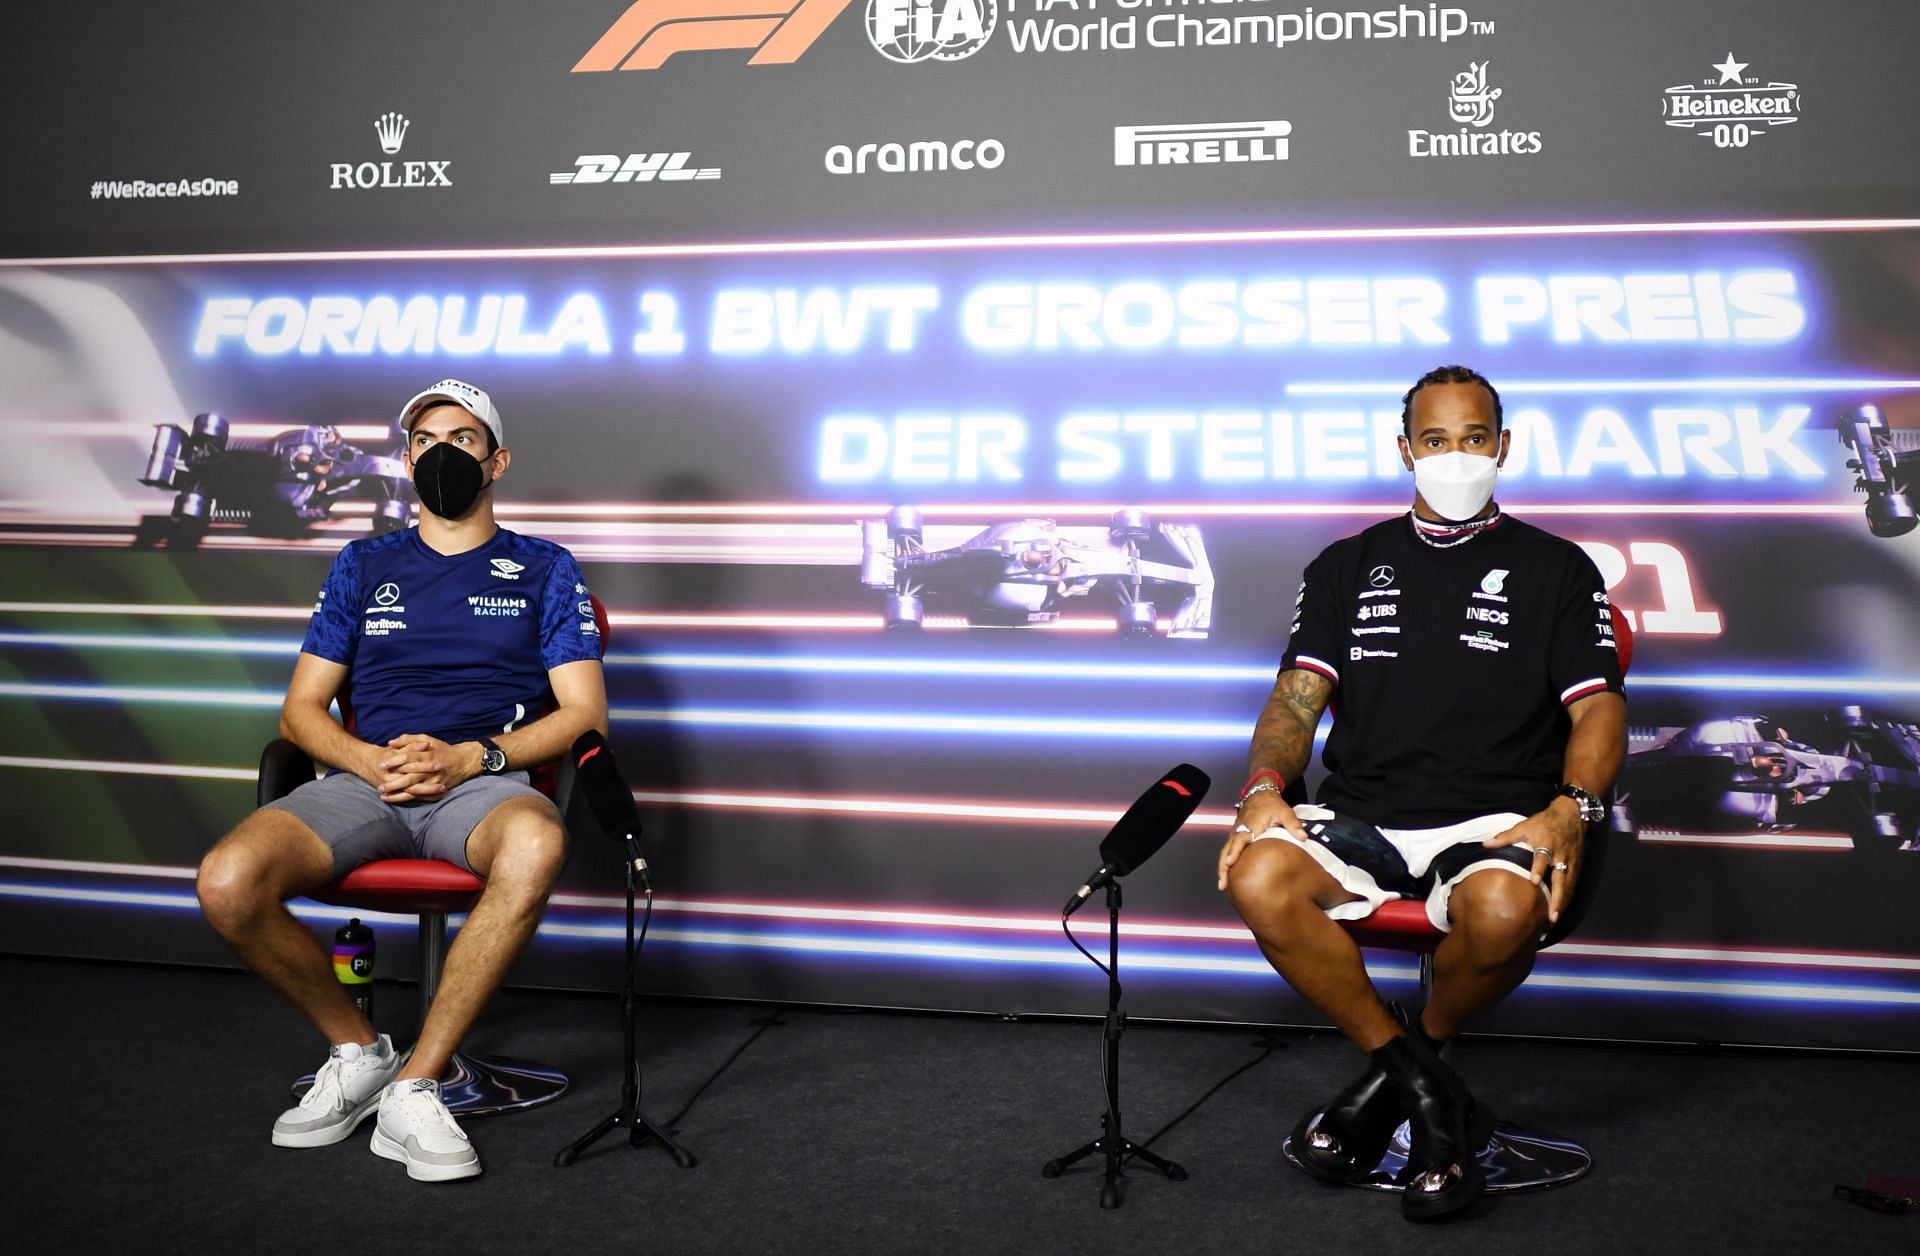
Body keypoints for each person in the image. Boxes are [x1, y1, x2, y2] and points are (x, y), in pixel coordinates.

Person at [1216, 365, 1626, 1221]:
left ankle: (1391, 1084)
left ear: (1502, 447)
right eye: (1436, 441)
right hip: (1361, 816)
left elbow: (1598, 711)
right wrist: (1261, 788)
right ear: (1406, 450)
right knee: (1258, 876)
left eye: (1474, 439)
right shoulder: (1344, 565)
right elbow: (1296, 700)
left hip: (1499, 814)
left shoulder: (1557, 567)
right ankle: (1434, 1096)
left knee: (1507, 912)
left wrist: (1571, 808)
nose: (1456, 456)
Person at [196, 380, 608, 1182]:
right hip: (366, 781)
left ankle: (418, 1083)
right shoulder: (363, 563)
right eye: (423, 442)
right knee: (226, 880)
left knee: (535, 845)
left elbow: (585, 714)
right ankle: (359, 1052)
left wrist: (473, 757)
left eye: (460, 439)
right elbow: (303, 711)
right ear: (405, 458)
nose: (440, 455)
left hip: (480, 783)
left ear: (497, 460)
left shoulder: (545, 568)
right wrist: (367, 759)